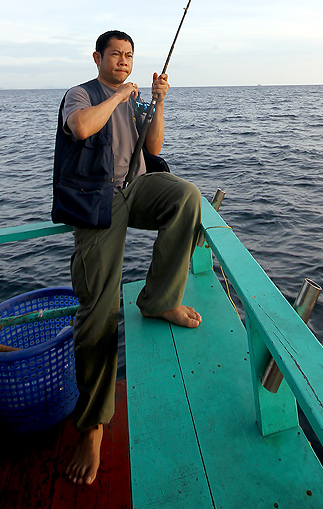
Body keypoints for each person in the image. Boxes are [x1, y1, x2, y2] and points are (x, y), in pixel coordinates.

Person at [52, 30, 202, 486]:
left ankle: (158, 300)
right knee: (99, 309)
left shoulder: (134, 99)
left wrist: (157, 103)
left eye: (129, 56)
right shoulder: (83, 94)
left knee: (187, 197)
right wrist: (118, 97)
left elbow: (152, 149)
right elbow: (81, 128)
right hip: (99, 199)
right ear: (98, 57)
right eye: (115, 54)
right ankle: (93, 425)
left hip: (137, 188)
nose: (123, 61)